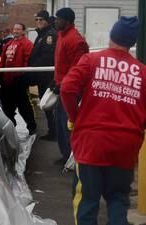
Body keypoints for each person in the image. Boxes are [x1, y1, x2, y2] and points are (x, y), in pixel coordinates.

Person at [60, 16, 144, 225]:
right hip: (126, 144)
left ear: (112, 35)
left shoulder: (92, 60)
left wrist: (74, 117)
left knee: (87, 199)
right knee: (118, 198)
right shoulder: (142, 72)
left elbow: (67, 88)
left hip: (91, 142)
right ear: (132, 41)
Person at [53, 7, 89, 165]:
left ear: (67, 22)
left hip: (70, 91)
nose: (55, 21)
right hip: (61, 86)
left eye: (58, 19)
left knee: (67, 124)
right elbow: (61, 63)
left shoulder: (75, 40)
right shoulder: (61, 35)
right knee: (60, 124)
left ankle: (71, 158)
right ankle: (65, 154)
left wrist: (65, 85)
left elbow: (78, 69)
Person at [0, 23, 37, 135]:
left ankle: (32, 126)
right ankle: (11, 127)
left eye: (18, 29)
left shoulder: (27, 44)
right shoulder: (9, 43)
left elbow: (29, 61)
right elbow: (2, 61)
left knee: (24, 106)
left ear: (23, 31)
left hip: (19, 80)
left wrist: (24, 76)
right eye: (14, 29)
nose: (16, 31)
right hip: (7, 80)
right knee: (6, 106)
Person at [27, 10, 57, 141]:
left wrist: (32, 68)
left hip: (47, 76)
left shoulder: (49, 35)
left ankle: (54, 132)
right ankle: (53, 131)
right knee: (46, 106)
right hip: (41, 75)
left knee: (48, 105)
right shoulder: (42, 34)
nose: (38, 22)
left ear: (47, 21)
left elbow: (47, 57)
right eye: (36, 19)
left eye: (41, 20)